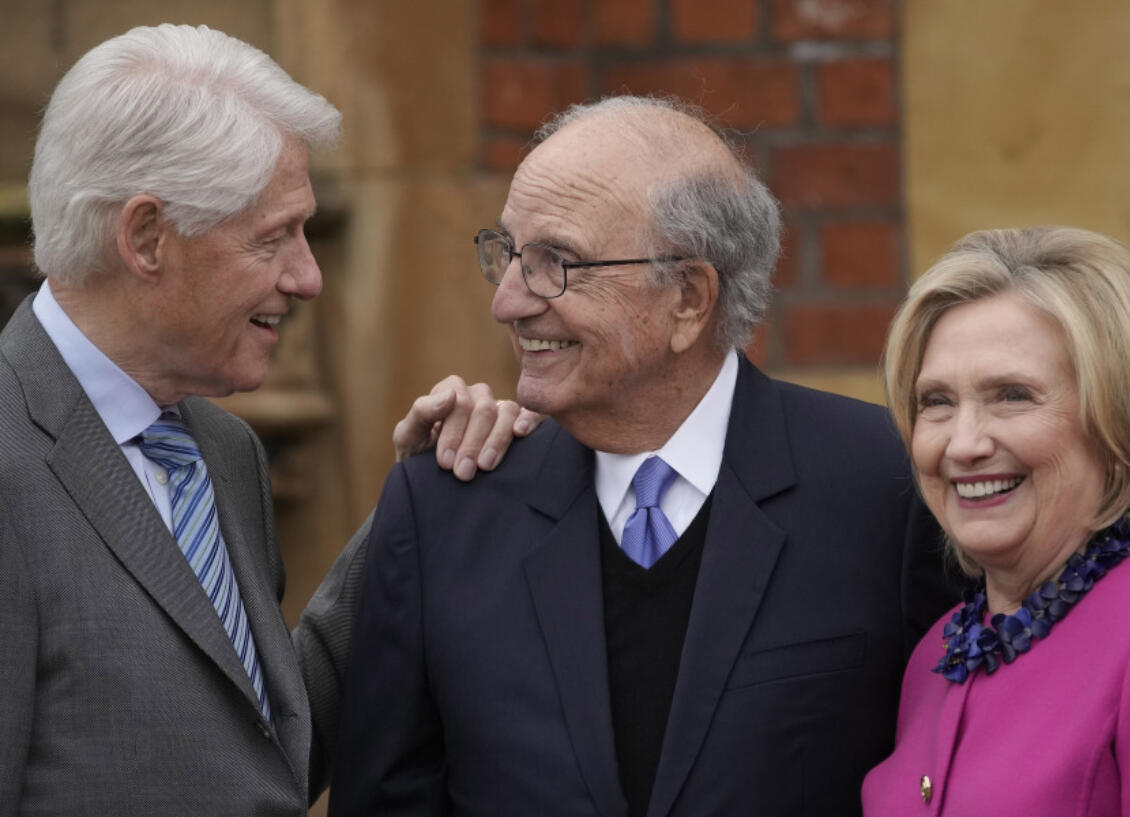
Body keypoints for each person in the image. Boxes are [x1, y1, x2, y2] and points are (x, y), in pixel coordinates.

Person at [326, 95, 956, 817]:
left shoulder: (886, 484)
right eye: (506, 253)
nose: (506, 301)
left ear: (688, 298)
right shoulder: (443, 506)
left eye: (555, 262)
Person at [0, 24, 517, 815]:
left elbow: (265, 750)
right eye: (273, 237)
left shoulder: (221, 445)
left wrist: (422, 500)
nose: (309, 276)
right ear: (146, 237)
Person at [861, 226, 1130, 815]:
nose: (964, 443)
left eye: (1012, 395)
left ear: (1122, 424)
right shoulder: (938, 650)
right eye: (937, 402)